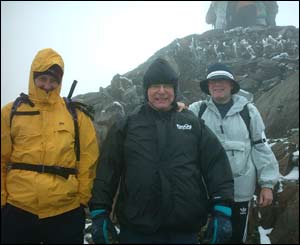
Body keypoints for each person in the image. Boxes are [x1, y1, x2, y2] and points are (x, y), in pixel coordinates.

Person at [89, 58, 234, 244]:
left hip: (184, 230)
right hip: (136, 230)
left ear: (175, 90)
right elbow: (107, 170)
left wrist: (222, 209)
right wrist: (100, 211)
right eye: (155, 86)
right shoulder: (127, 126)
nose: (161, 91)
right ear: (146, 90)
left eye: (167, 86)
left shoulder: (193, 124)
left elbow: (216, 164)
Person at [1, 48, 99, 244]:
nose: (47, 85)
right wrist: (3, 202)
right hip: (18, 209)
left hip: (65, 210)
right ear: (33, 77)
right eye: (43, 79)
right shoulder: (10, 112)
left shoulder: (76, 115)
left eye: (53, 80)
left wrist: (81, 200)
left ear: (60, 82)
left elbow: (88, 160)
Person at [187, 63, 279, 244]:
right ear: (207, 86)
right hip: (206, 191)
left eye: (222, 80)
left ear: (231, 85)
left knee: (236, 237)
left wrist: (267, 184)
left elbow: (261, 146)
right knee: (206, 237)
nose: (217, 85)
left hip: (241, 191)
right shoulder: (197, 110)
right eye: (212, 81)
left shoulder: (249, 111)